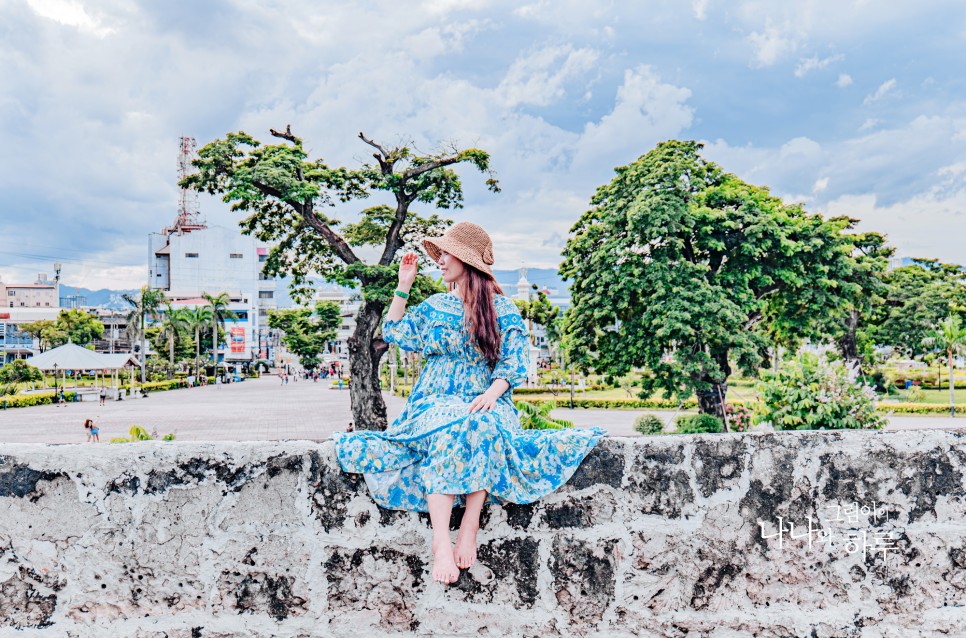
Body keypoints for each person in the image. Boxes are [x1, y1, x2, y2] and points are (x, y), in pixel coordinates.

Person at [332, 221, 605, 585]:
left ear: (466, 259)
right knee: (454, 422)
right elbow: (394, 332)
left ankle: (470, 524)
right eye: (441, 253)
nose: (441, 260)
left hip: (487, 394)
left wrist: (492, 395)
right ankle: (440, 539)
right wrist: (404, 284)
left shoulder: (501, 309)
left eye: (447, 253)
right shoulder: (435, 306)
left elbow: (514, 361)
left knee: (483, 423)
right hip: (434, 397)